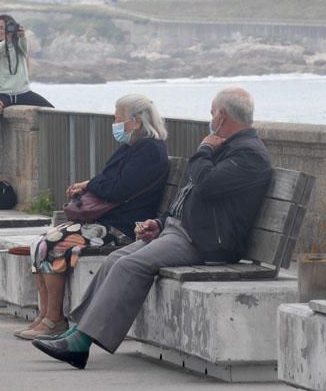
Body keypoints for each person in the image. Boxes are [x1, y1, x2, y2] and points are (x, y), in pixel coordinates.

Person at [31, 87, 273, 369]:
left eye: (211, 113)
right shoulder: (228, 148)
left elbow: (206, 186)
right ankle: (76, 331)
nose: (210, 118)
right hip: (184, 230)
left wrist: (204, 150)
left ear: (220, 116)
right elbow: (191, 196)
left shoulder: (248, 155)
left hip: (206, 242)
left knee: (129, 266)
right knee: (116, 259)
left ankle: (80, 344)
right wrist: (159, 223)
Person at [15, 94, 169, 340]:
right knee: (40, 242)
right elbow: (108, 180)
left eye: (118, 119)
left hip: (128, 227)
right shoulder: (132, 148)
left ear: (136, 121)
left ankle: (54, 320)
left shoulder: (150, 151)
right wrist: (94, 184)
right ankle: (44, 315)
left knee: (54, 242)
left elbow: (117, 188)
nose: (115, 124)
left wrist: (91, 184)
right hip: (108, 221)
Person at [0, 14, 53, 175]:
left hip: (23, 92)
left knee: (51, 111)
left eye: (4, 27)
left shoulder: (18, 43)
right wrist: (7, 40)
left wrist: (21, 37)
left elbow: (25, 50)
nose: (1, 31)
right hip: (2, 94)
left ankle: (52, 143)